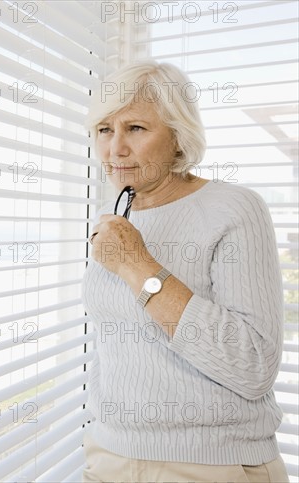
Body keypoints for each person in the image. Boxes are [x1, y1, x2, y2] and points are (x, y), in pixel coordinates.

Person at [81, 60, 289, 483]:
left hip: (212, 464)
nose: (115, 149)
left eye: (135, 128)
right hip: (109, 455)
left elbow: (253, 366)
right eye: (105, 129)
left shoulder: (233, 208)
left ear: (178, 137)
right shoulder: (114, 215)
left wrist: (139, 265)